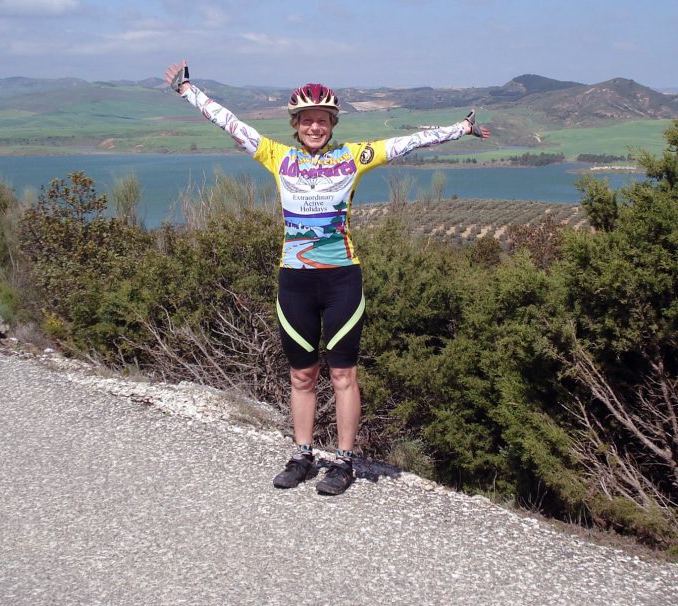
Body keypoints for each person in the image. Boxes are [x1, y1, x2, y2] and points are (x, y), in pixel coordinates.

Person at [165, 60, 490, 496]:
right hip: (294, 280)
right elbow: (231, 124)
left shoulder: (353, 157)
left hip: (341, 280)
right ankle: (302, 454)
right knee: (301, 374)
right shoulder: (276, 156)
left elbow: (407, 143)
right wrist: (188, 90)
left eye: (322, 120)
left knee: (343, 375)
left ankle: (345, 460)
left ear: (331, 124)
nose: (314, 127)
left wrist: (460, 129)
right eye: (306, 120)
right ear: (295, 125)